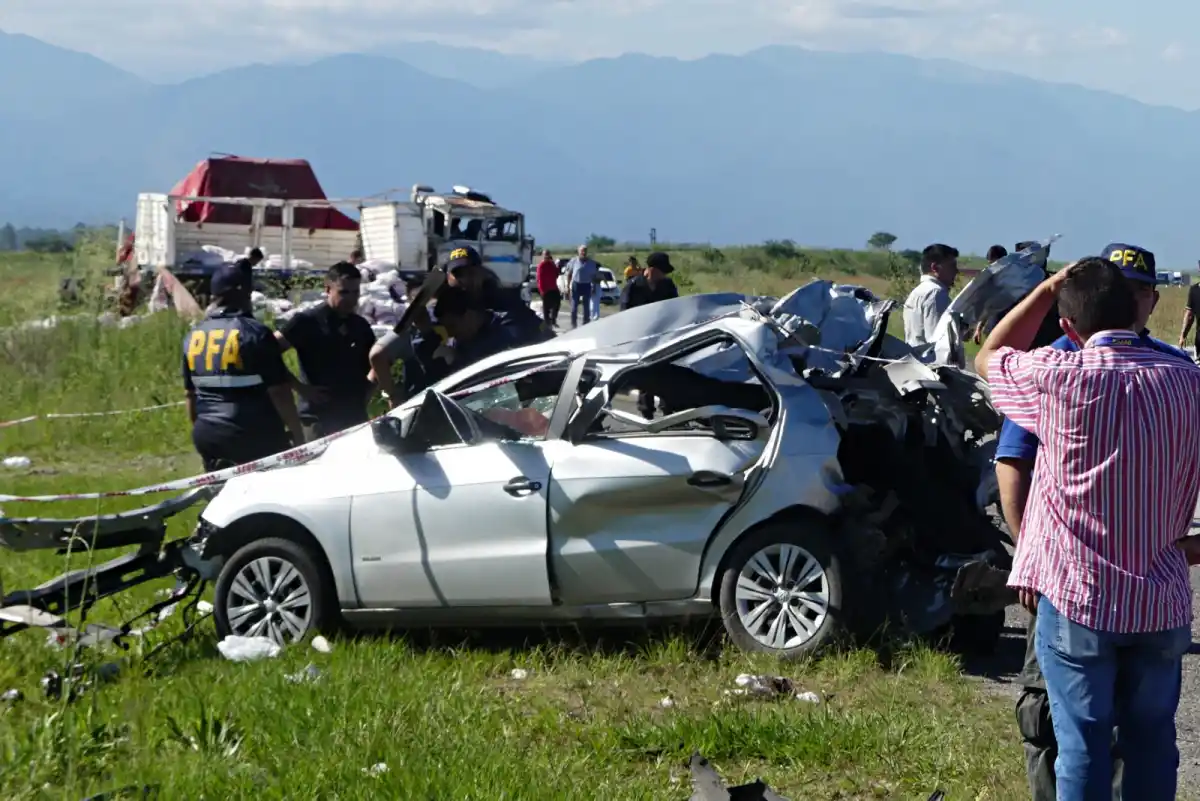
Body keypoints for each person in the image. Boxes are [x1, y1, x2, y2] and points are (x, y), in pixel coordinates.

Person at [979, 255, 1200, 801]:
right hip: (1161, 599)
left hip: (1077, 599)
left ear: (1068, 328)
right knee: (1152, 740)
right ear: (1138, 309)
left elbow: (989, 356)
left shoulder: (1056, 377)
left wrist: (1048, 287)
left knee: (1081, 742)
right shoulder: (1186, 379)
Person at [181, 261, 304, 471]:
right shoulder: (255, 332)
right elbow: (280, 393)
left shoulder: (192, 336)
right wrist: (300, 439)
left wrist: (203, 431)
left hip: (207, 434)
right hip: (253, 434)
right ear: (243, 293)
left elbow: (190, 396)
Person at [274, 262, 377, 440]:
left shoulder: (360, 325)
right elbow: (266, 352)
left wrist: (367, 390)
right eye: (344, 292)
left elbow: (377, 361)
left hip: (354, 417)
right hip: (318, 418)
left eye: (356, 292)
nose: (351, 299)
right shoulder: (307, 321)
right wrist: (300, 388)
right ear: (328, 289)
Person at [621, 252, 680, 418]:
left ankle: (669, 411)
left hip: (664, 337)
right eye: (662, 271)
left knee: (666, 374)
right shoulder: (633, 287)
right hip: (642, 339)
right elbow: (624, 315)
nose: (665, 275)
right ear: (652, 269)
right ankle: (646, 412)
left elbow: (676, 309)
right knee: (646, 375)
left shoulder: (668, 286)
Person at [902, 244, 958, 347]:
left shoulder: (918, 291)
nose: (956, 271)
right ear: (935, 268)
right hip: (930, 361)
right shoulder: (936, 293)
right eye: (951, 266)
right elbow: (938, 340)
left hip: (914, 359)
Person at [564, 244, 600, 328]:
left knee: (586, 306)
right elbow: (569, 274)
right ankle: (573, 324)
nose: (583, 252)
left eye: (585, 251)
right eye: (582, 251)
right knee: (574, 306)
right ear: (578, 252)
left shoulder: (591, 263)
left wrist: (593, 287)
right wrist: (567, 287)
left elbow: (593, 276)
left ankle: (585, 323)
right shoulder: (573, 261)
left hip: (586, 285)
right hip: (576, 284)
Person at [535, 249, 562, 327]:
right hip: (545, 289)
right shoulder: (541, 265)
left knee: (557, 303)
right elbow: (539, 279)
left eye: (548, 254)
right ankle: (547, 324)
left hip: (553, 287)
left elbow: (556, 274)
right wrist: (541, 290)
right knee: (546, 308)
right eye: (545, 254)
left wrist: (555, 265)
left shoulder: (551, 264)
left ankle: (553, 319)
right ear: (543, 255)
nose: (547, 256)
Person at [1178, 277, 1200, 358]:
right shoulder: (1194, 290)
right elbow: (1189, 316)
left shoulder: (1195, 290)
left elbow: (1189, 316)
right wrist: (1182, 336)